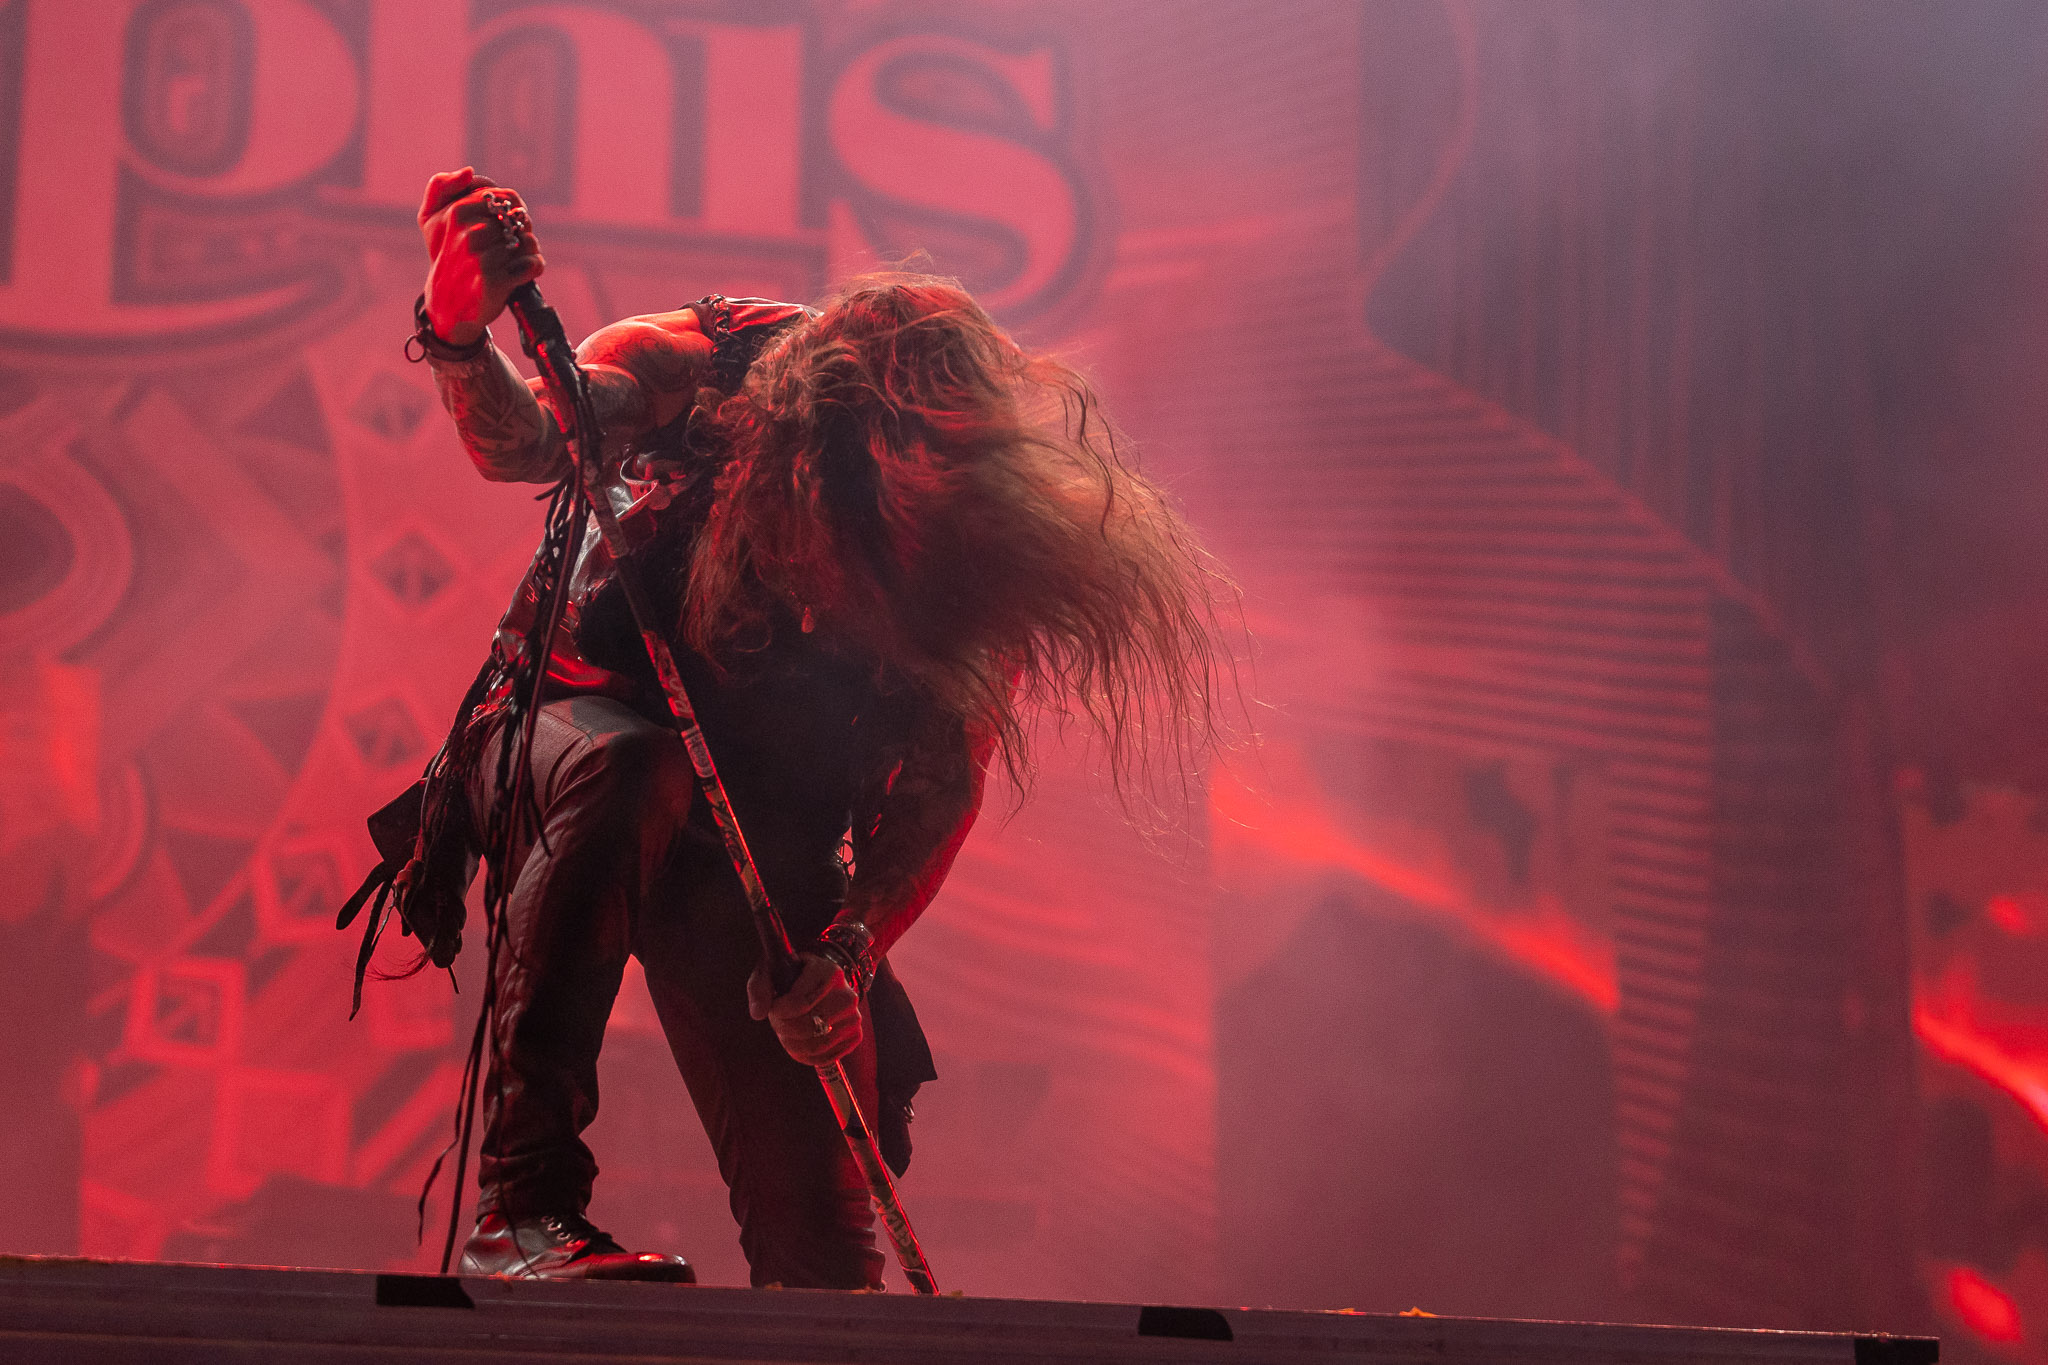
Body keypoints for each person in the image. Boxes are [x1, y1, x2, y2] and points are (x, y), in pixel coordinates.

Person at [398, 167, 1231, 1289]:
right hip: (563, 751)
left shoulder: (970, 553)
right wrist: (458, 334)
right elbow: (537, 440)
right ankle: (522, 1209)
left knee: (829, 1263)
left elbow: (937, 789)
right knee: (633, 767)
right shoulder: (694, 368)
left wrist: (847, 953)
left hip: (749, 835)